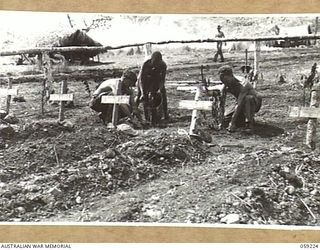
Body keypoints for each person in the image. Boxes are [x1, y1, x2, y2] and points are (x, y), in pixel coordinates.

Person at [218, 66, 262, 132]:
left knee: (248, 98)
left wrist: (232, 123)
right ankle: (242, 119)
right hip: (240, 103)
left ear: (231, 75)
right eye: (222, 81)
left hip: (254, 102)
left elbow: (239, 104)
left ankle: (250, 124)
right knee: (225, 120)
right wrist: (220, 121)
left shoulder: (243, 84)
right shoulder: (226, 84)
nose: (225, 83)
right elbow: (221, 102)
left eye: (226, 80)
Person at [136, 51, 169, 125]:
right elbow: (142, 80)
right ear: (151, 59)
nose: (156, 64)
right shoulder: (145, 64)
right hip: (143, 80)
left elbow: (162, 79)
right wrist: (143, 92)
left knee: (162, 93)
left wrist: (160, 89)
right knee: (142, 96)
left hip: (155, 80)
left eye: (157, 62)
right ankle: (139, 114)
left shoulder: (163, 65)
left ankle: (165, 114)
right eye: (154, 62)